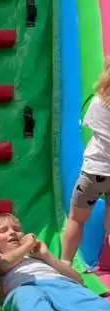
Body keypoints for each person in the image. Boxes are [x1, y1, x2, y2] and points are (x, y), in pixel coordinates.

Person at [0, 213, 110, 311]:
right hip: (23, 287)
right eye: (3, 230)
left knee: (92, 305)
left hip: (58, 283)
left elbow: (78, 280)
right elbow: (2, 265)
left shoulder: (35, 256)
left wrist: (46, 256)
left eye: (16, 229)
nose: (12, 232)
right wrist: (27, 244)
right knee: (29, 301)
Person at [61, 62, 110, 263]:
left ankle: (65, 264)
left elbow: (89, 126)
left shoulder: (98, 102)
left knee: (76, 219)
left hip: (94, 173)